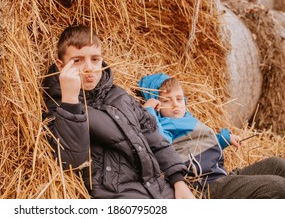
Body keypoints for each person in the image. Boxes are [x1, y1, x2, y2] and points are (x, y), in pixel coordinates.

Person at [42, 25, 195, 199]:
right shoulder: (58, 105)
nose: (89, 68)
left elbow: (154, 137)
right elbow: (71, 161)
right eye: (77, 60)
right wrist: (70, 100)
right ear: (61, 66)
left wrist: (178, 181)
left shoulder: (120, 96)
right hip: (117, 196)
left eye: (95, 59)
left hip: (158, 189)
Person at [138, 72, 285, 198]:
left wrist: (223, 140)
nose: (175, 104)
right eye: (166, 100)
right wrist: (149, 110)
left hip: (221, 176)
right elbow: (157, 140)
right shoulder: (164, 126)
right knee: (277, 186)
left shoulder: (189, 119)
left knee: (277, 164)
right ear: (158, 104)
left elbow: (198, 146)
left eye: (179, 98)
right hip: (207, 186)